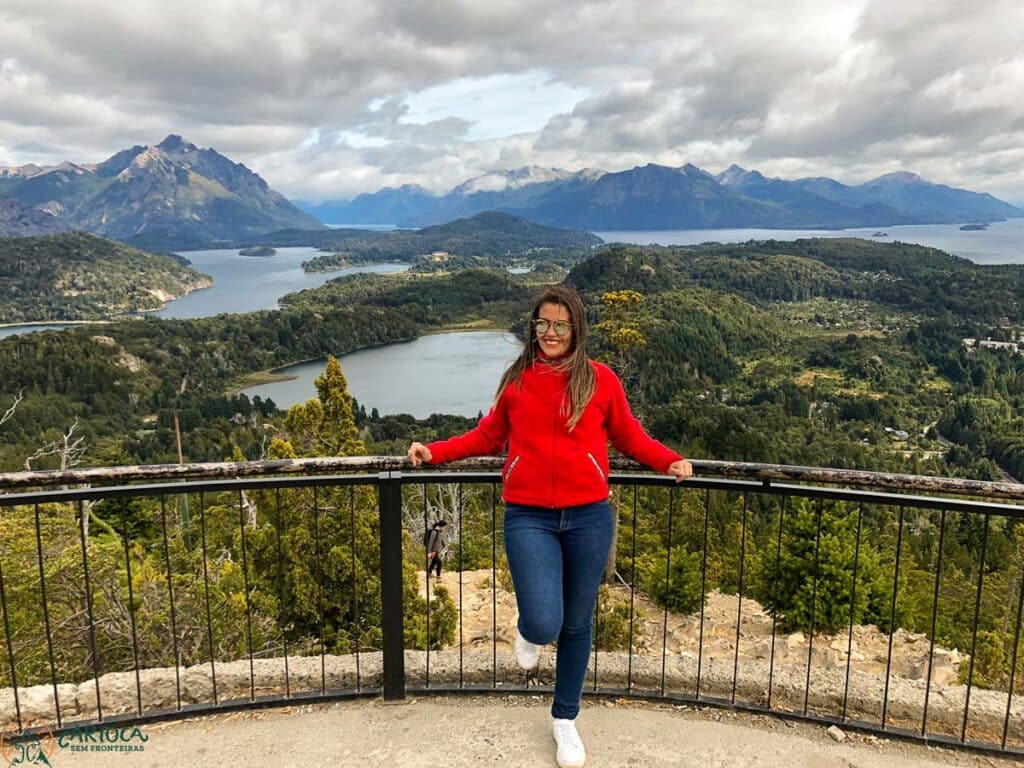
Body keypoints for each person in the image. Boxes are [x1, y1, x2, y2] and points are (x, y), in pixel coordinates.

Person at [408, 285, 692, 768]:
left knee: (577, 623)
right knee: (544, 621)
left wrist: (667, 461)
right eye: (543, 324)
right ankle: (528, 629)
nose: (551, 333)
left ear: (576, 329)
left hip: (588, 516)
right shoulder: (518, 380)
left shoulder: (599, 380)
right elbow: (489, 435)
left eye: (560, 324)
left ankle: (565, 720)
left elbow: (627, 435)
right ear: (533, 327)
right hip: (529, 515)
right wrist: (436, 450)